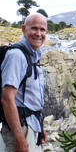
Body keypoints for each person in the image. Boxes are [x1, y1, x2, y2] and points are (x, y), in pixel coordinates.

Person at [1, 13, 48, 152]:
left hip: (32, 126)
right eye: (34, 28)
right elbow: (7, 99)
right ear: (23, 29)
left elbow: (31, 99)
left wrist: (40, 128)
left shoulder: (32, 55)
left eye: (42, 30)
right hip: (21, 130)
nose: (38, 34)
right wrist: (20, 138)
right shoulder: (16, 55)